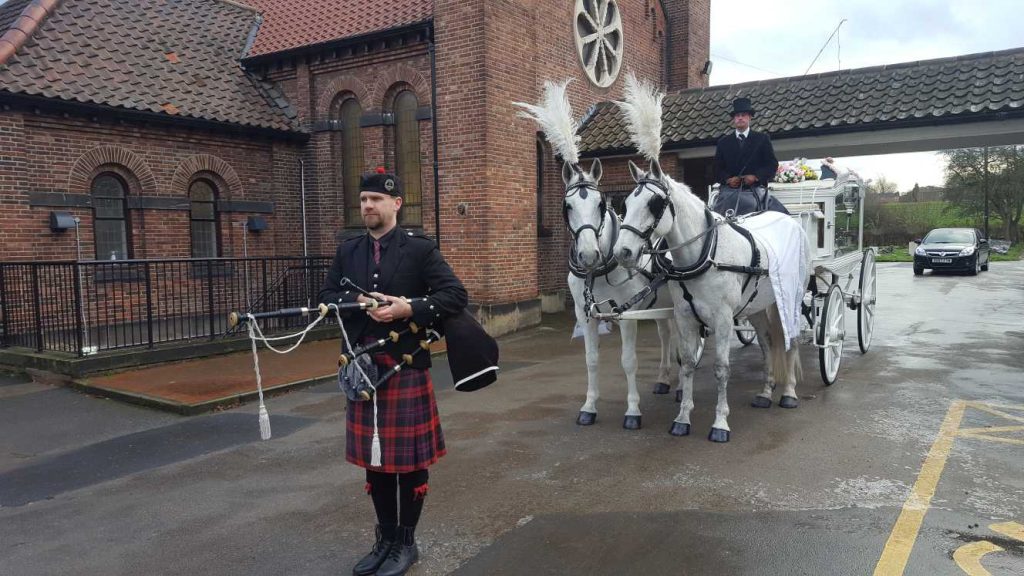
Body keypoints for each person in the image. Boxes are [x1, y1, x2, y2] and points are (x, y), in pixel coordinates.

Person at [319, 167, 468, 576]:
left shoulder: (420, 250)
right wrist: (358, 301)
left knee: (408, 462)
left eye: (376, 200)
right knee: (375, 459)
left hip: (404, 366)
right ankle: (384, 539)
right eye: (363, 200)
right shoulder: (348, 250)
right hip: (363, 368)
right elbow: (327, 296)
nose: (367, 206)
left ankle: (406, 542)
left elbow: (455, 294)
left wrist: (408, 308)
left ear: (396, 204)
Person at [711, 97, 789, 216]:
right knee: (717, 214)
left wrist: (756, 177)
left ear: (750, 117)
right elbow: (716, 169)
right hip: (729, 191)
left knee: (775, 214)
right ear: (734, 119)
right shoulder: (723, 142)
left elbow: (771, 165)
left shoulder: (762, 139)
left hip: (754, 189)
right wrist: (728, 179)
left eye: (743, 115)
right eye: (737, 115)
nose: (740, 118)